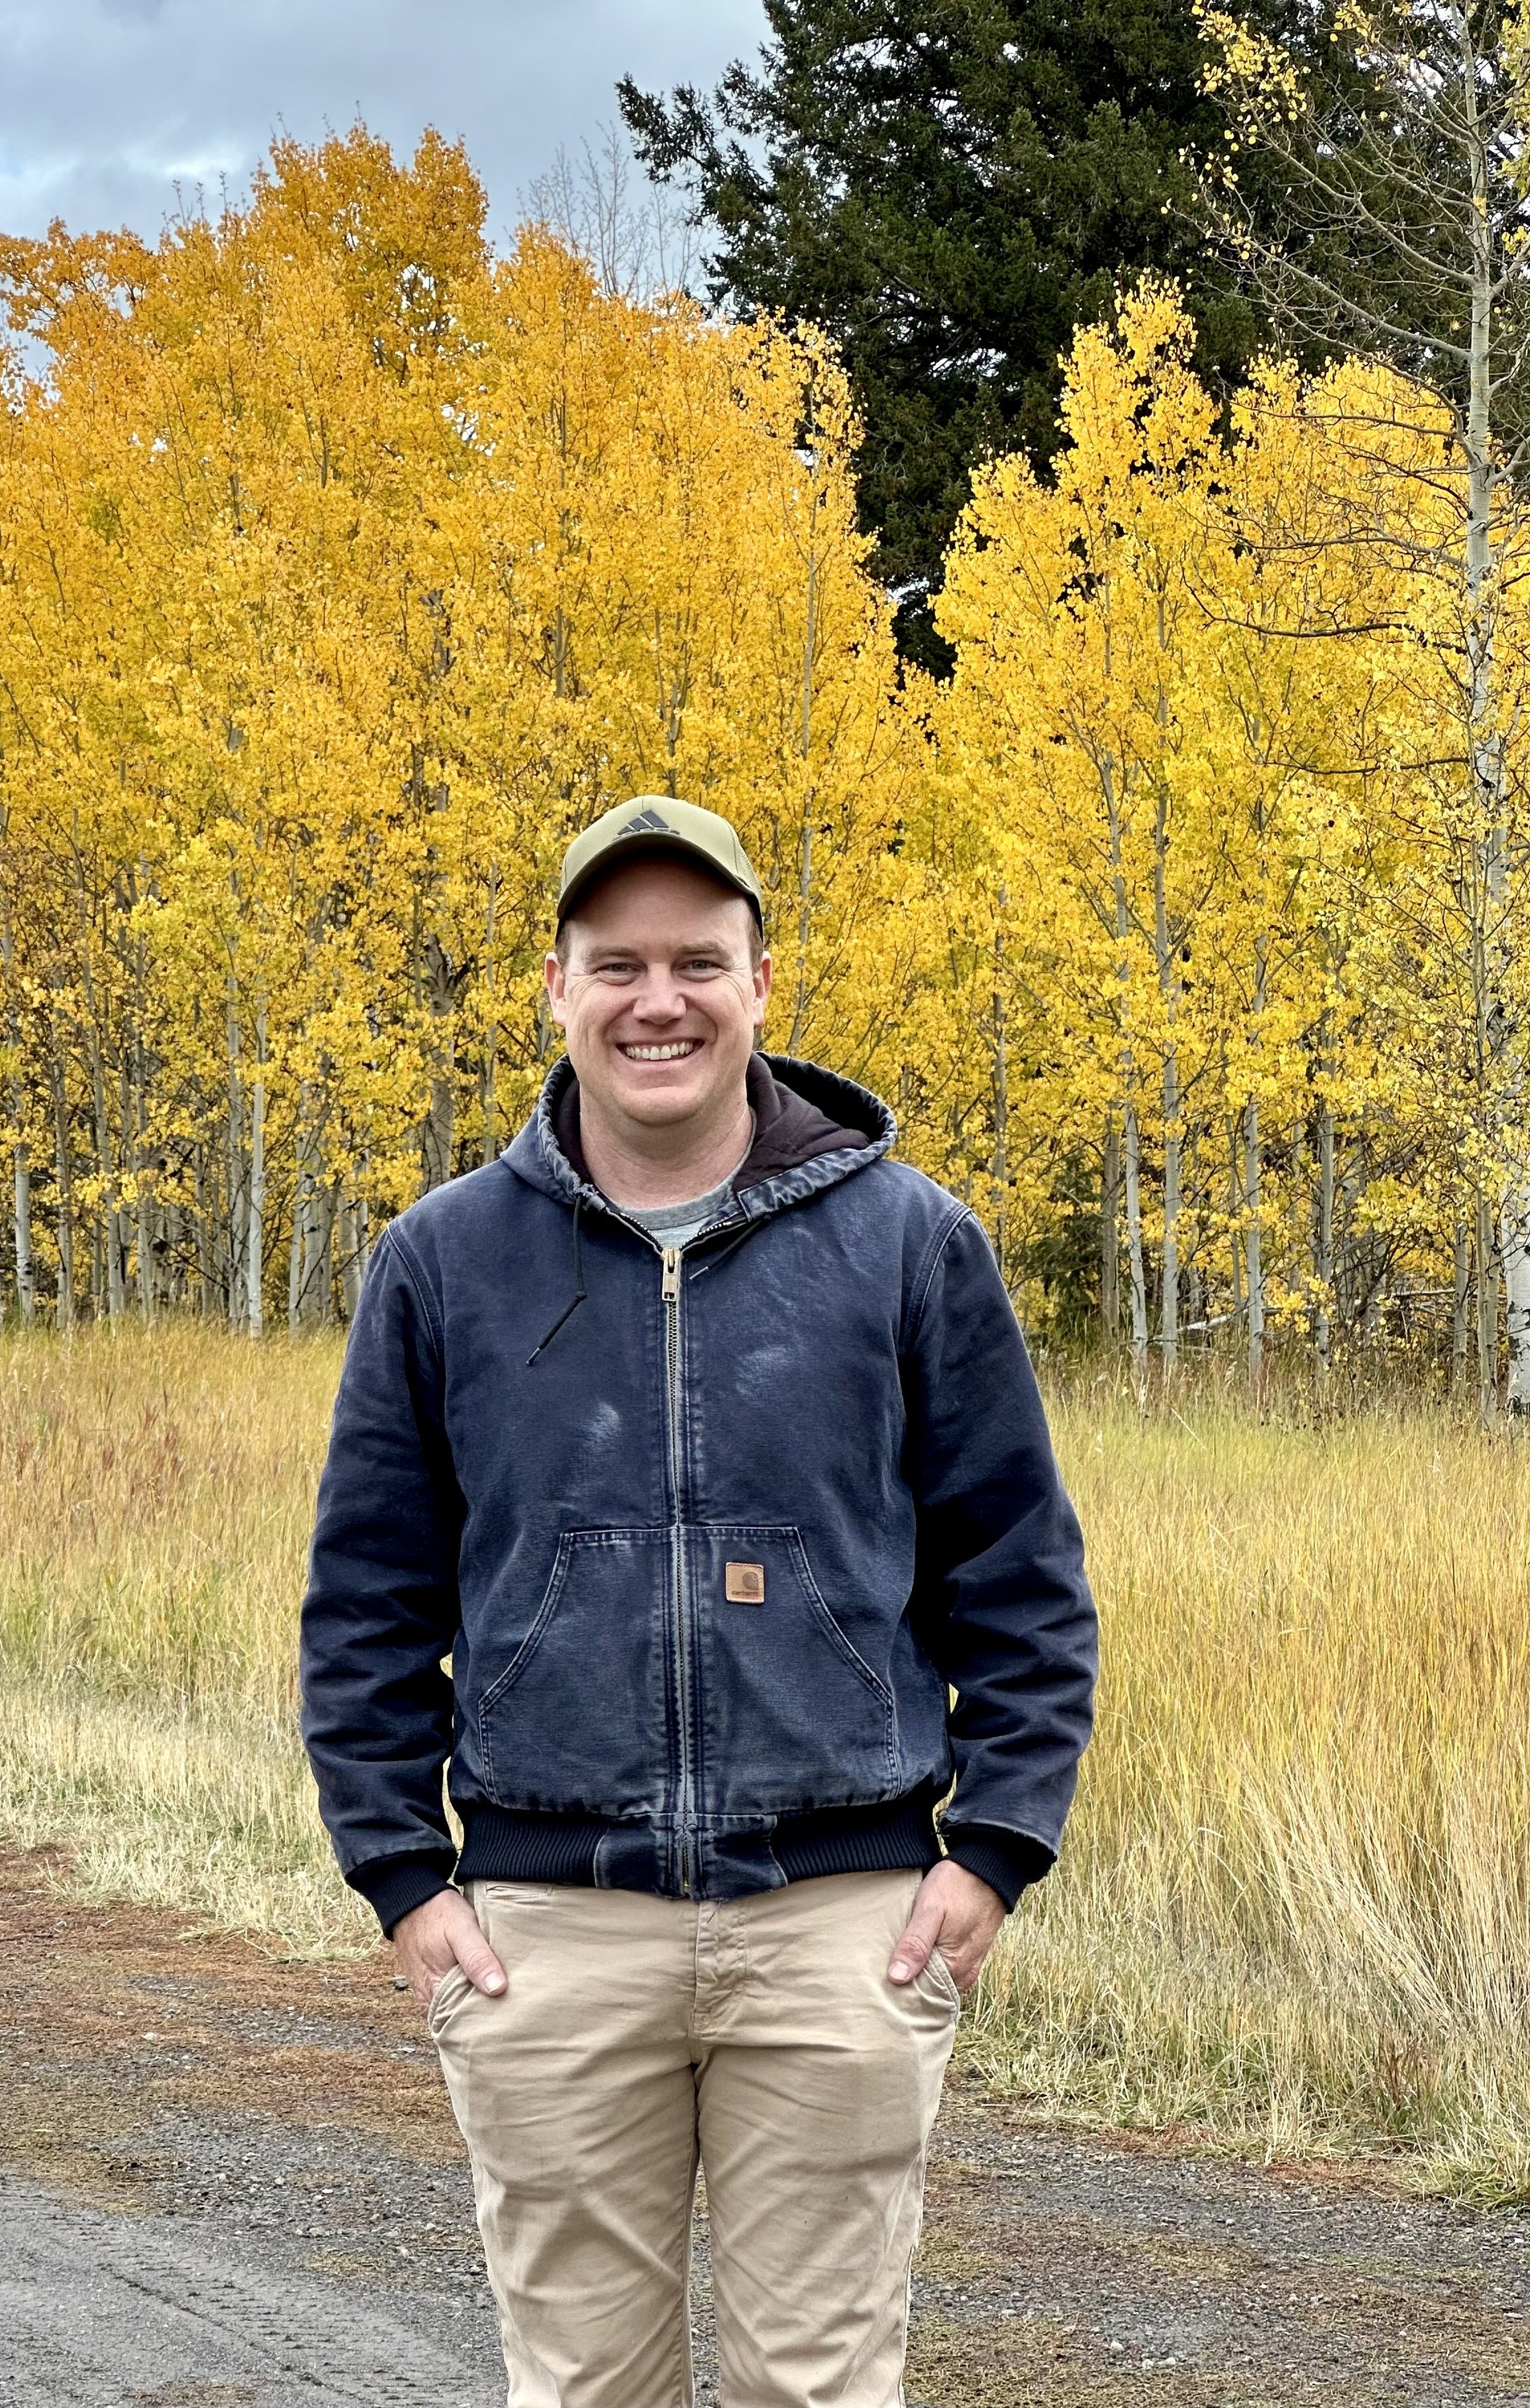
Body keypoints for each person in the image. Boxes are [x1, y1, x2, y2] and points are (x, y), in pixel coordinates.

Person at [301, 794, 1097, 2408]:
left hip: (838, 1926)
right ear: (554, 986)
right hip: (546, 1935)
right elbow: (366, 1602)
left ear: (757, 981)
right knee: (585, 2387)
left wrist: (994, 1845)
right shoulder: (440, 1262)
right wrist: (405, 1881)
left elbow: (1016, 1569)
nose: (653, 998)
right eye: (615, 963)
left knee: (821, 2384)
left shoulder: (906, 1246)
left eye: (693, 960)